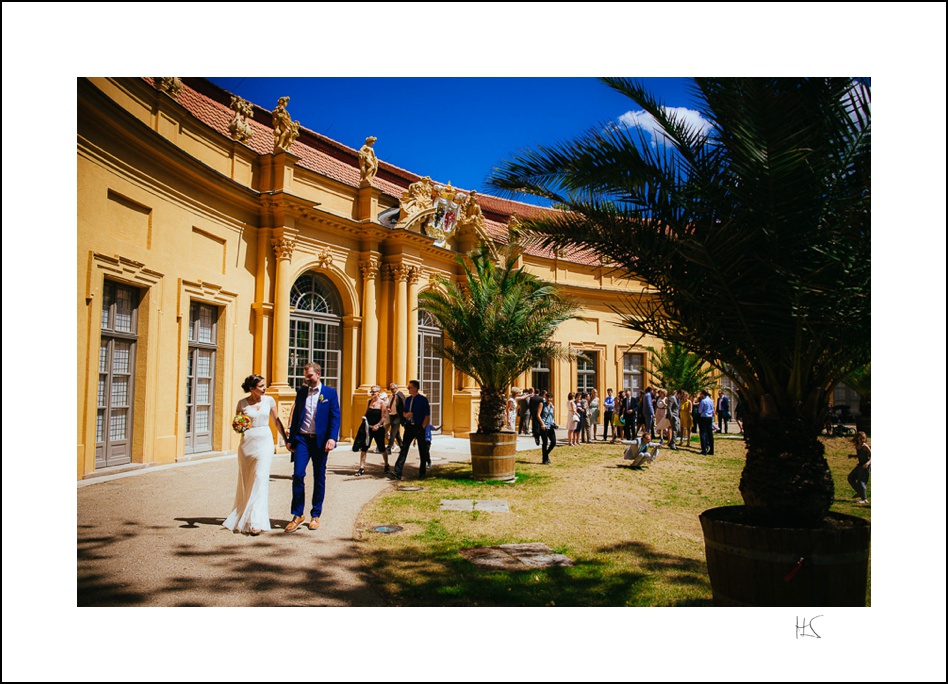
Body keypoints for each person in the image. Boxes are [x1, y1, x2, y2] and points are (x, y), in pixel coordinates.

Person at [223, 374, 289, 536]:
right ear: (251, 388)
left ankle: (256, 521)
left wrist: (286, 440)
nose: (264, 388)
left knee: (260, 477)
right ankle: (245, 515)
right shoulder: (242, 403)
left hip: (264, 442)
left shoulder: (269, 401)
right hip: (247, 444)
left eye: (264, 385)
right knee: (248, 480)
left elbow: (276, 421)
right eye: (261, 386)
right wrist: (238, 426)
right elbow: (238, 423)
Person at [286, 362, 341, 533]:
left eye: (309, 376)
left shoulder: (330, 393)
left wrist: (332, 438)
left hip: (320, 441)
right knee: (298, 474)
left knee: (319, 477)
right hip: (302, 439)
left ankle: (315, 514)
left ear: (318, 374)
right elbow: (296, 415)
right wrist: (290, 438)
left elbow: (335, 417)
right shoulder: (302, 392)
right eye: (305, 376)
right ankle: (297, 515)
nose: (307, 379)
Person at [393, 379, 431, 480]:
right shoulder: (408, 400)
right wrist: (406, 415)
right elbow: (404, 413)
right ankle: (397, 471)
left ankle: (422, 473)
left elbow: (427, 416)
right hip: (409, 426)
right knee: (404, 449)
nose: (408, 389)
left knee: (422, 450)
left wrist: (423, 426)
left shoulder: (423, 400)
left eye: (409, 387)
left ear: (415, 388)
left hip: (419, 426)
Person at [354, 385, 387, 476]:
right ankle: (361, 468)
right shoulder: (368, 402)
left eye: (374, 392)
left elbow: (383, 417)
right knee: (364, 448)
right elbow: (365, 413)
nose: (372, 393)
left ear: (378, 393)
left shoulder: (382, 403)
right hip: (368, 429)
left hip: (378, 429)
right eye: (371, 391)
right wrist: (364, 417)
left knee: (381, 448)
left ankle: (386, 464)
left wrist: (378, 425)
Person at [847, 431, 871, 504]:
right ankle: (860, 492)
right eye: (861, 439)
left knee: (861, 481)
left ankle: (864, 499)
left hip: (866, 465)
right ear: (857, 438)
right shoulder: (857, 446)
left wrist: (867, 463)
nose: (862, 440)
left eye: (864, 439)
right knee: (851, 477)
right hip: (860, 465)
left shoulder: (865, 446)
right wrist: (853, 456)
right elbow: (861, 455)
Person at [384, 381, 406, 462]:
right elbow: (389, 404)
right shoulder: (391, 396)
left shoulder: (400, 395)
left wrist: (404, 416)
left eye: (392, 389)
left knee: (393, 432)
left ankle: (389, 448)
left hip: (397, 416)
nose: (391, 390)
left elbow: (404, 405)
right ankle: (402, 446)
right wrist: (388, 408)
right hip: (392, 415)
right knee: (396, 433)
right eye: (390, 389)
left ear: (396, 388)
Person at [539, 390, 557, 464]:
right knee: (545, 443)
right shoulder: (542, 404)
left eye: (550, 398)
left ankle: (546, 455)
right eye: (548, 397)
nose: (549, 399)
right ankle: (544, 459)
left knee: (553, 442)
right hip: (544, 426)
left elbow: (552, 415)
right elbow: (538, 415)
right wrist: (542, 424)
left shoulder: (552, 406)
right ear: (545, 397)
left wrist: (554, 422)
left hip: (550, 426)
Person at [697, 389, 715, 455]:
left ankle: (704, 449)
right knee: (710, 434)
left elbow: (700, 411)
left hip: (704, 417)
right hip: (709, 417)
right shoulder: (711, 401)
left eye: (701, 394)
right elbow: (712, 409)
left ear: (703, 394)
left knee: (703, 433)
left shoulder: (703, 401)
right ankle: (712, 450)